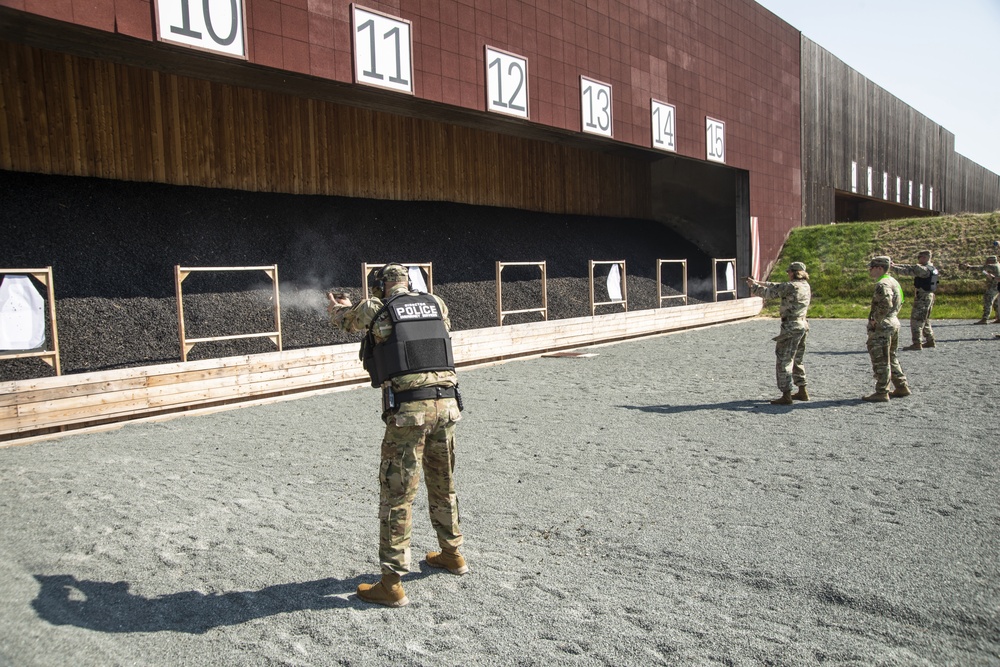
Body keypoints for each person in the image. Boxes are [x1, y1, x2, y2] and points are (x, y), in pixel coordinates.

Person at [327, 263, 467, 607]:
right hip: (447, 405)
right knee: (443, 483)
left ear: (380, 285)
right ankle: (453, 554)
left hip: (410, 412)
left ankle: (391, 584)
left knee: (397, 493)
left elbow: (345, 320)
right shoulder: (436, 302)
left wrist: (338, 306)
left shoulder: (376, 306)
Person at [745, 261, 811, 405]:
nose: (787, 273)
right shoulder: (805, 286)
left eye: (789, 271)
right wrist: (759, 282)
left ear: (794, 272)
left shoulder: (790, 286)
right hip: (802, 324)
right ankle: (802, 390)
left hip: (790, 326)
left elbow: (769, 293)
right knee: (797, 358)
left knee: (784, 359)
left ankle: (786, 394)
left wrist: (753, 286)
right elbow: (776, 285)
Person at [863, 256, 910, 402]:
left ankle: (882, 391)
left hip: (883, 324)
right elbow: (900, 300)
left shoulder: (882, 284)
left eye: (871, 267)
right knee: (891, 356)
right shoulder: (893, 281)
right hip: (893, 321)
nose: (869, 270)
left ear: (879, 268)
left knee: (880, 358)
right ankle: (901, 386)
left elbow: (886, 304)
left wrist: (875, 320)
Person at [890, 250, 939, 349]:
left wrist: (892, 268)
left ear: (925, 257)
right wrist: (895, 265)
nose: (918, 259)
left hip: (923, 296)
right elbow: (910, 267)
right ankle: (930, 340)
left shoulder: (923, 270)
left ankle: (917, 343)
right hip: (929, 295)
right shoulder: (932, 268)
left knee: (916, 320)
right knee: (925, 319)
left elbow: (907, 270)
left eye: (919, 257)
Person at [959, 255, 1000, 324]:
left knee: (988, 300)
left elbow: (981, 268)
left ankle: (985, 318)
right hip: (997, 287)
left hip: (994, 287)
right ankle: (999, 317)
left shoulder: (993, 266)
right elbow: (985, 271)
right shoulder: (998, 265)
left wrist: (968, 267)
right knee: (996, 302)